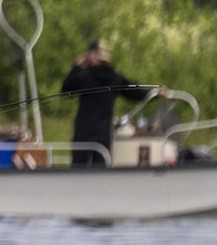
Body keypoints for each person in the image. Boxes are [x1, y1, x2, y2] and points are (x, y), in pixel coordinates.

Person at [59, 39, 153, 167]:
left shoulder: (83, 77)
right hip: (102, 135)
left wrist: (76, 67)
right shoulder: (115, 78)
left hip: (83, 133)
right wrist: (155, 93)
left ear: (92, 54)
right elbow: (136, 93)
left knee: (77, 173)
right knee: (101, 175)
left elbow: (65, 90)